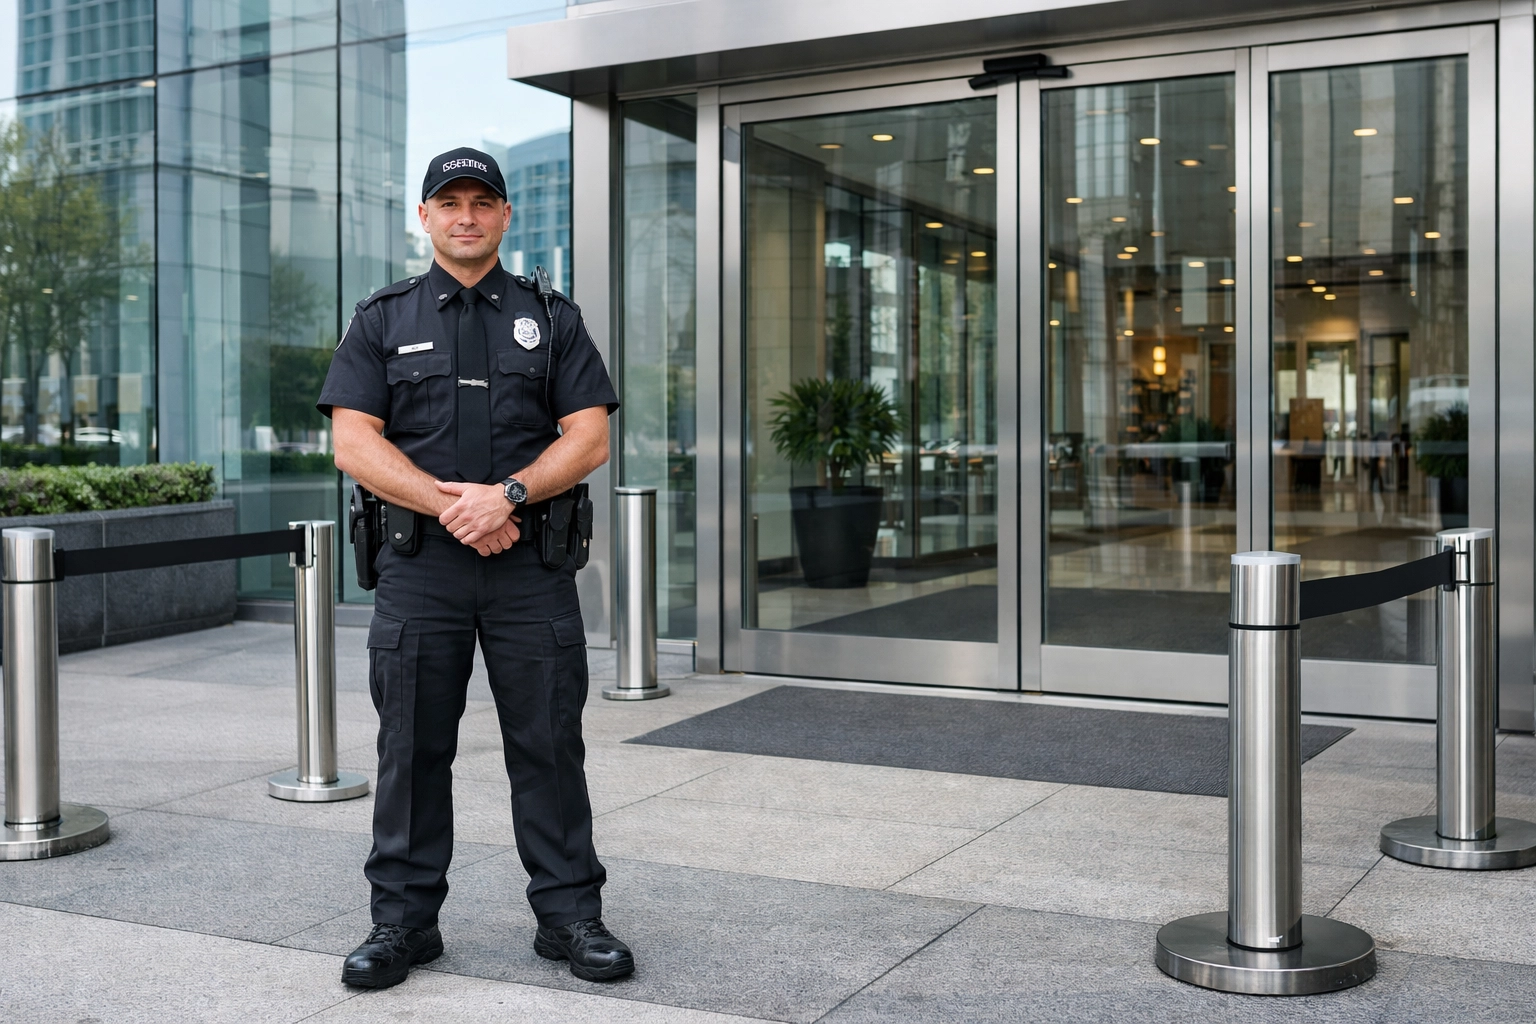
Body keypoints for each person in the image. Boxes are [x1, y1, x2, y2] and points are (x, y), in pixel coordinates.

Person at [318, 147, 631, 990]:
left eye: (481, 201)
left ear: (503, 215)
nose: (465, 215)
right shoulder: (381, 317)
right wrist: (454, 505)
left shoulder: (551, 318)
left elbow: (589, 435)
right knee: (411, 748)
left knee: (548, 745)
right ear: (423, 217)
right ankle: (403, 926)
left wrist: (509, 496)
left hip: (531, 566)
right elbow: (354, 441)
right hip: (422, 571)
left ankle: (570, 918)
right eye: (448, 201)